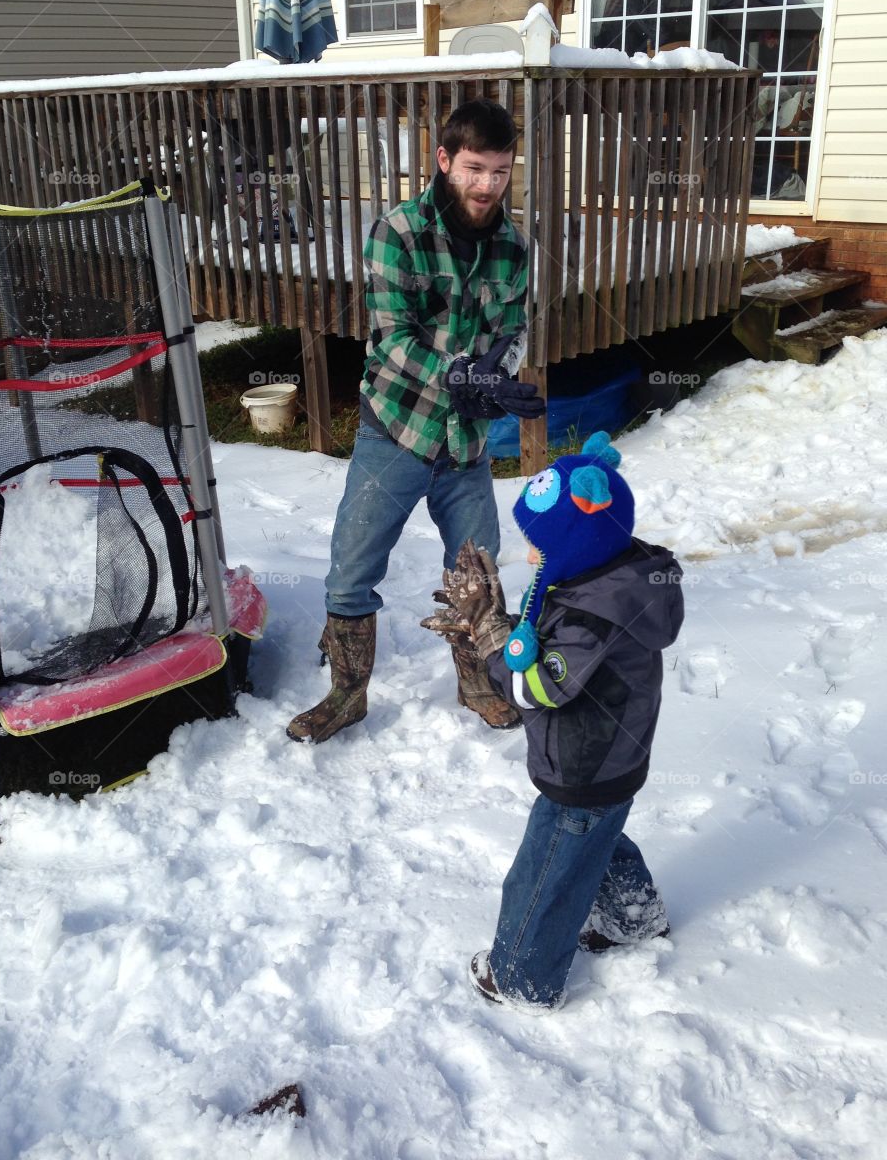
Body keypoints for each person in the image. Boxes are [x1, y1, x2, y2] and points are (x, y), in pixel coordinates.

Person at [288, 98, 546, 745]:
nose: (487, 184)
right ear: (443, 161)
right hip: (396, 430)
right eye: (474, 168)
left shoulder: (514, 250)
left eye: (500, 170)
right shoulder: (397, 233)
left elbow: (514, 329)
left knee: (478, 574)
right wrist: (459, 372)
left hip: (465, 445)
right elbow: (393, 335)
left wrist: (497, 372)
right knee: (351, 568)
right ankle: (347, 696)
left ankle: (479, 683)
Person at [423, 431, 684, 1011]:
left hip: (584, 760)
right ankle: (633, 920)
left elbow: (536, 688)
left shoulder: (591, 616)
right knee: (598, 835)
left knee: (546, 869)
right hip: (618, 755)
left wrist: (492, 641)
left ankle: (522, 974)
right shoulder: (616, 579)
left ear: (579, 543)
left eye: (538, 544)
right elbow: (554, 642)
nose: (530, 555)